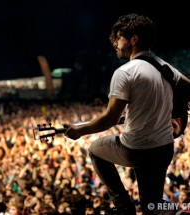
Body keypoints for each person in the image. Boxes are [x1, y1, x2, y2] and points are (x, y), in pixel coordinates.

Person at [64, 13, 190, 215]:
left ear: (134, 39)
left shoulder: (125, 72)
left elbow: (110, 119)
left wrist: (80, 130)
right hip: (164, 148)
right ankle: (179, 212)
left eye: (119, 37)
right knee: (153, 205)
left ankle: (123, 207)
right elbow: (187, 89)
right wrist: (177, 115)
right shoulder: (165, 67)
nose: (115, 42)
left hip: (137, 149)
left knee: (95, 149)